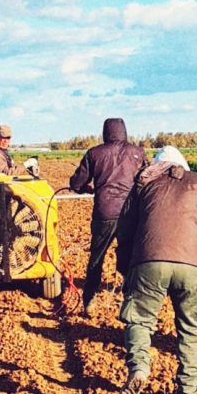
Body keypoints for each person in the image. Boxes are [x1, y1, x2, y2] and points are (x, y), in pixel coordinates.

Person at [115, 146, 197, 394]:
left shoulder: (142, 184)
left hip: (148, 262)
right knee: (191, 328)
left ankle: (140, 369)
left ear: (158, 165)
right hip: (194, 265)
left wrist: (126, 267)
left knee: (140, 321)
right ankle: (190, 391)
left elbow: (125, 230)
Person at [68, 117, 146, 315]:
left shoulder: (94, 153)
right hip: (130, 213)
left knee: (97, 257)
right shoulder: (137, 152)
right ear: (124, 131)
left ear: (105, 132)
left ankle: (89, 301)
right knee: (129, 255)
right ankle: (131, 299)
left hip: (104, 212)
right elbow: (146, 180)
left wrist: (86, 188)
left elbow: (76, 183)